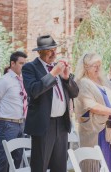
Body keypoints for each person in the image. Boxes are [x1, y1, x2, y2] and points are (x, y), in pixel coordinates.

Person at [22, 35, 79, 172]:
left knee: (60, 166)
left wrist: (66, 79)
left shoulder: (58, 68)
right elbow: (34, 91)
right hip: (43, 124)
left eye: (55, 50)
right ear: (40, 52)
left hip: (61, 124)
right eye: (49, 51)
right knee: (40, 165)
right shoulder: (30, 68)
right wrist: (53, 74)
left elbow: (75, 92)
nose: (54, 54)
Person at [74, 53, 111, 172]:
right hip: (95, 131)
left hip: (110, 129)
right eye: (94, 65)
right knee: (96, 165)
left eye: (99, 65)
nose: (98, 68)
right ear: (85, 67)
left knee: (109, 164)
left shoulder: (104, 80)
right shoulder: (82, 82)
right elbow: (92, 105)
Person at [0, 51, 28, 172]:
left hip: (22, 123)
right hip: (7, 124)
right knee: (4, 158)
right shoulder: (4, 80)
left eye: (25, 63)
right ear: (12, 63)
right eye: (21, 63)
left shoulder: (22, 80)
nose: (23, 66)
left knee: (17, 158)